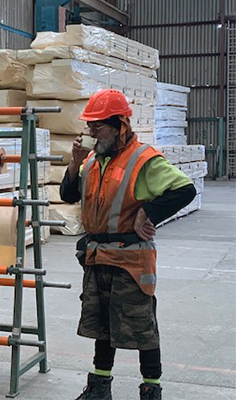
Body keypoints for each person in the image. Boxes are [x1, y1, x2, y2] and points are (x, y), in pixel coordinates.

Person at [60, 89, 196, 400]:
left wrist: (148, 213)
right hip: (97, 256)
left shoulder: (143, 159)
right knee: (102, 326)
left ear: (120, 124)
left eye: (98, 126)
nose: (92, 133)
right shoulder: (93, 160)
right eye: (90, 127)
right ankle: (99, 387)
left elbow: (184, 189)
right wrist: (73, 164)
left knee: (142, 327)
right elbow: (69, 195)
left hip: (131, 260)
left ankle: (151, 389)